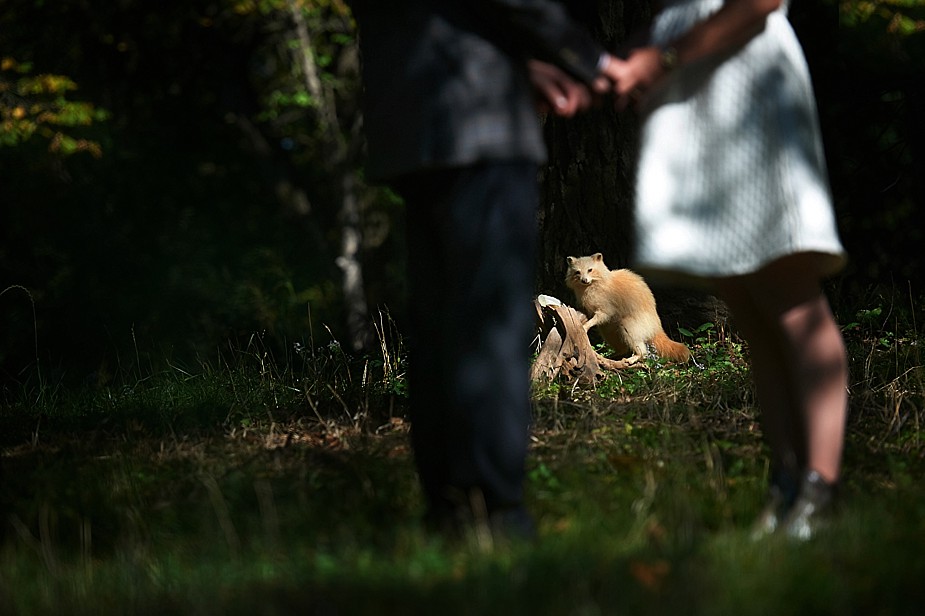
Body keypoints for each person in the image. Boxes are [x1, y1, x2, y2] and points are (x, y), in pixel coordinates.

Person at [347, 0, 623, 541]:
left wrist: (514, 62)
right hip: (478, 114)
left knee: (438, 325)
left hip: (408, 113)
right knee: (491, 322)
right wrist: (589, 58)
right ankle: (496, 510)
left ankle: (448, 507)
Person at [607, 0, 849, 539]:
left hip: (748, 85)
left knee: (790, 298)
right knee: (747, 304)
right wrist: (639, 54)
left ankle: (821, 486)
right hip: (700, 96)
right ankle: (786, 481)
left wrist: (663, 58)